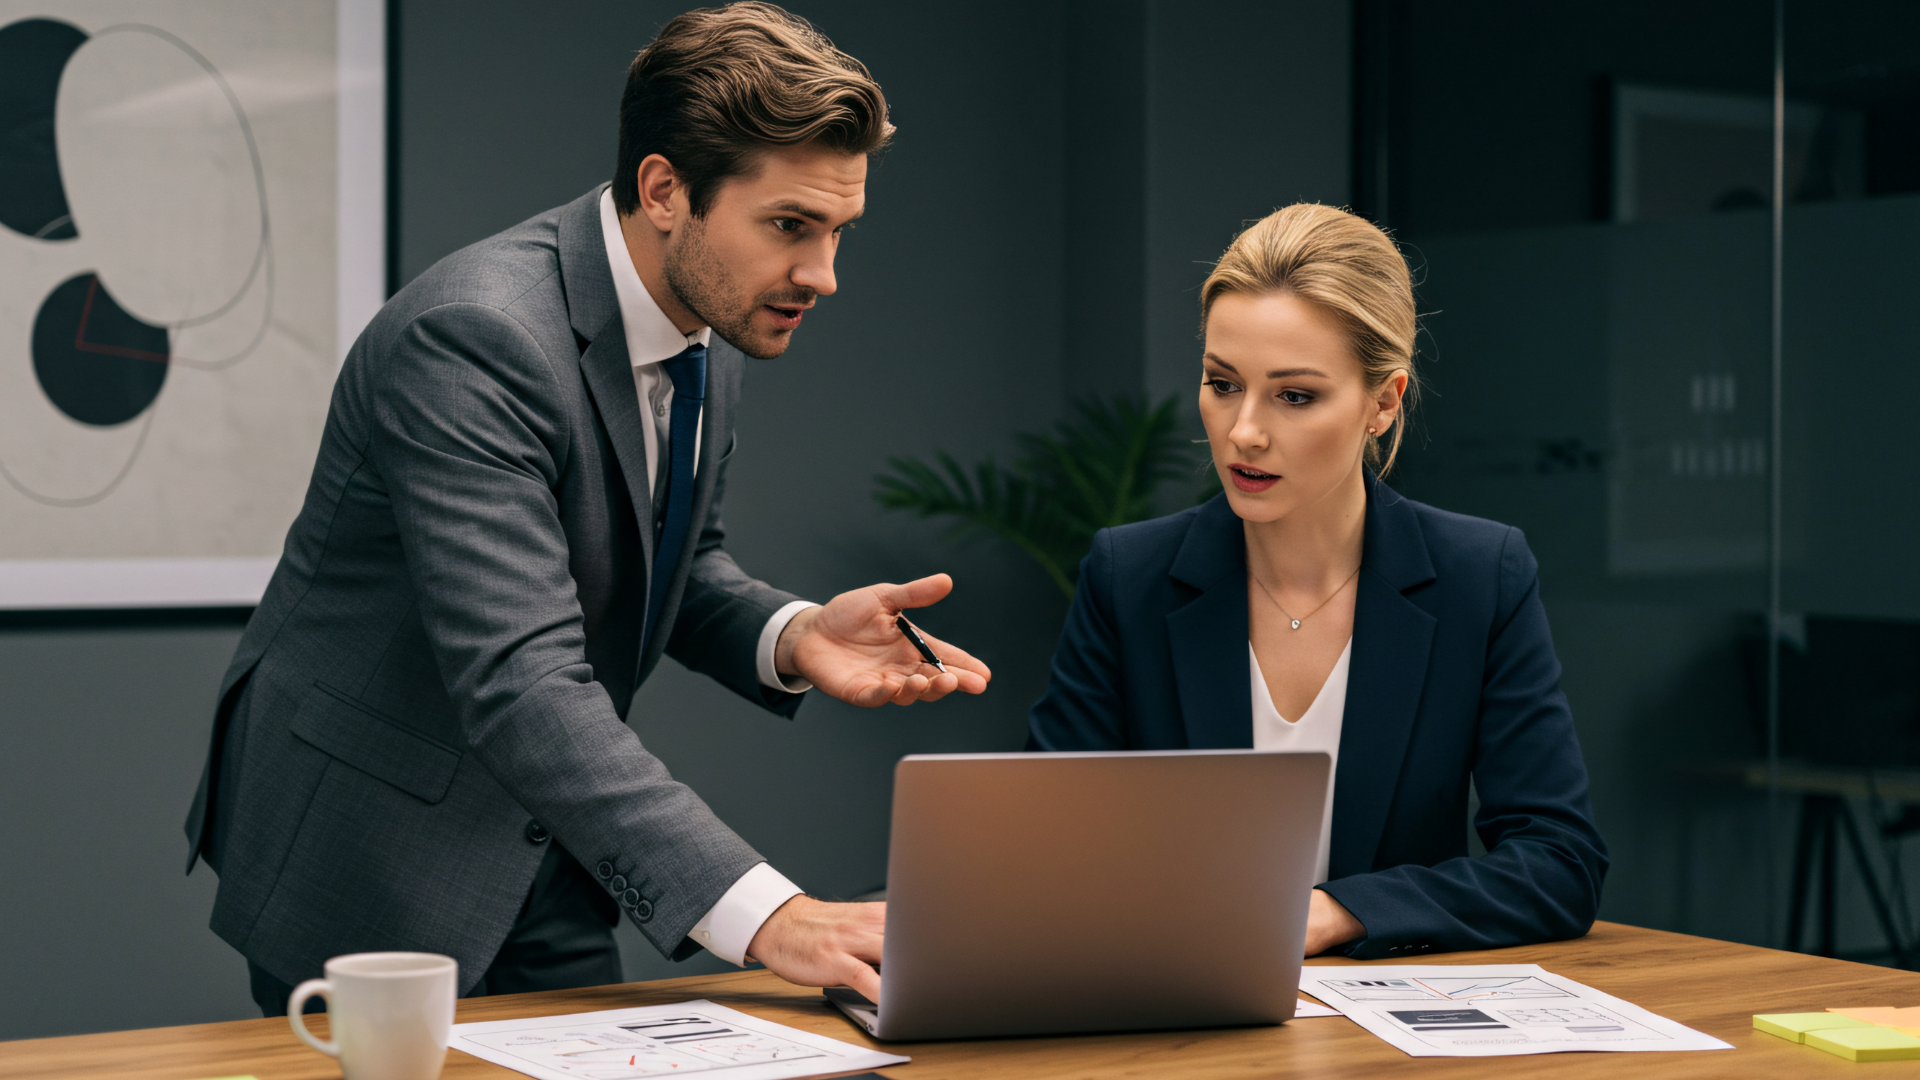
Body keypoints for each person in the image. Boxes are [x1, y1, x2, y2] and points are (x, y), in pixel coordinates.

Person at [182, 2, 987, 1014]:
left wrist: (793, 635)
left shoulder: (711, 312)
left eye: (838, 231)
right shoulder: (475, 340)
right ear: (665, 191)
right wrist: (776, 917)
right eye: (790, 226)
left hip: (553, 835)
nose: (821, 275)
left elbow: (671, 561)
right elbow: (520, 677)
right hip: (373, 840)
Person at [1027, 203, 1606, 960]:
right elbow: (1042, 850)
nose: (1244, 432)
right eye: (1222, 384)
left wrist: (1336, 913)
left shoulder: (1479, 578)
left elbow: (1559, 863)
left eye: (1294, 396)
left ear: (1384, 401)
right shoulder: (1129, 578)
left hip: (1389, 1034)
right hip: (1174, 1011)